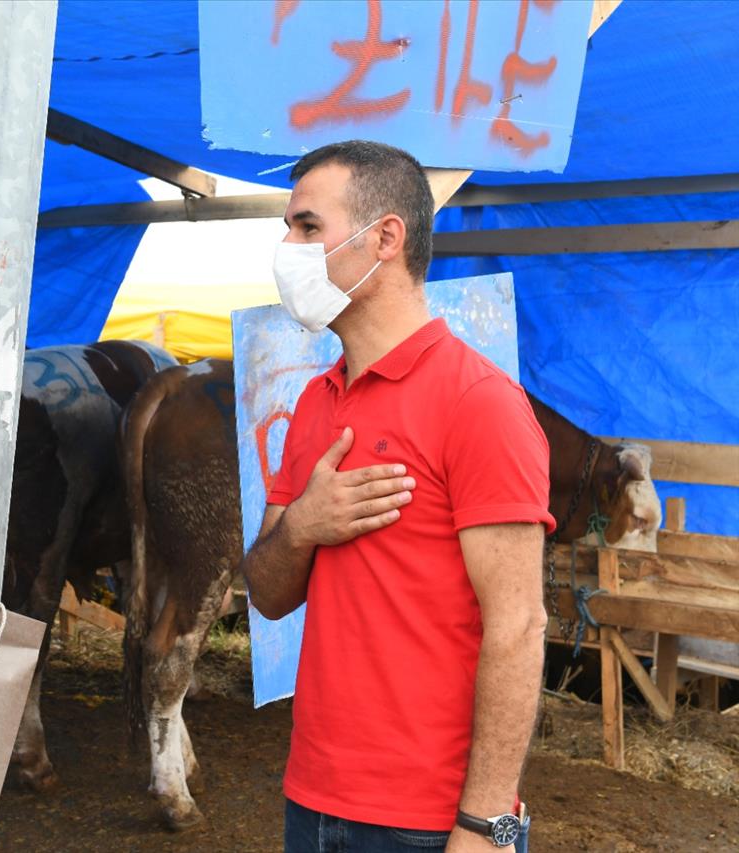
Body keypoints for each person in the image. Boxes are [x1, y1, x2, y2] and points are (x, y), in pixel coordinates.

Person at [242, 140, 553, 852]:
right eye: (287, 228)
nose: (287, 248)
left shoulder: (479, 403)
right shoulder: (312, 403)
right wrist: (303, 529)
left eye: (307, 227)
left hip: (431, 822)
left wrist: (488, 827)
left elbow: (519, 626)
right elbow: (266, 592)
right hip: (312, 800)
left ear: (386, 237)